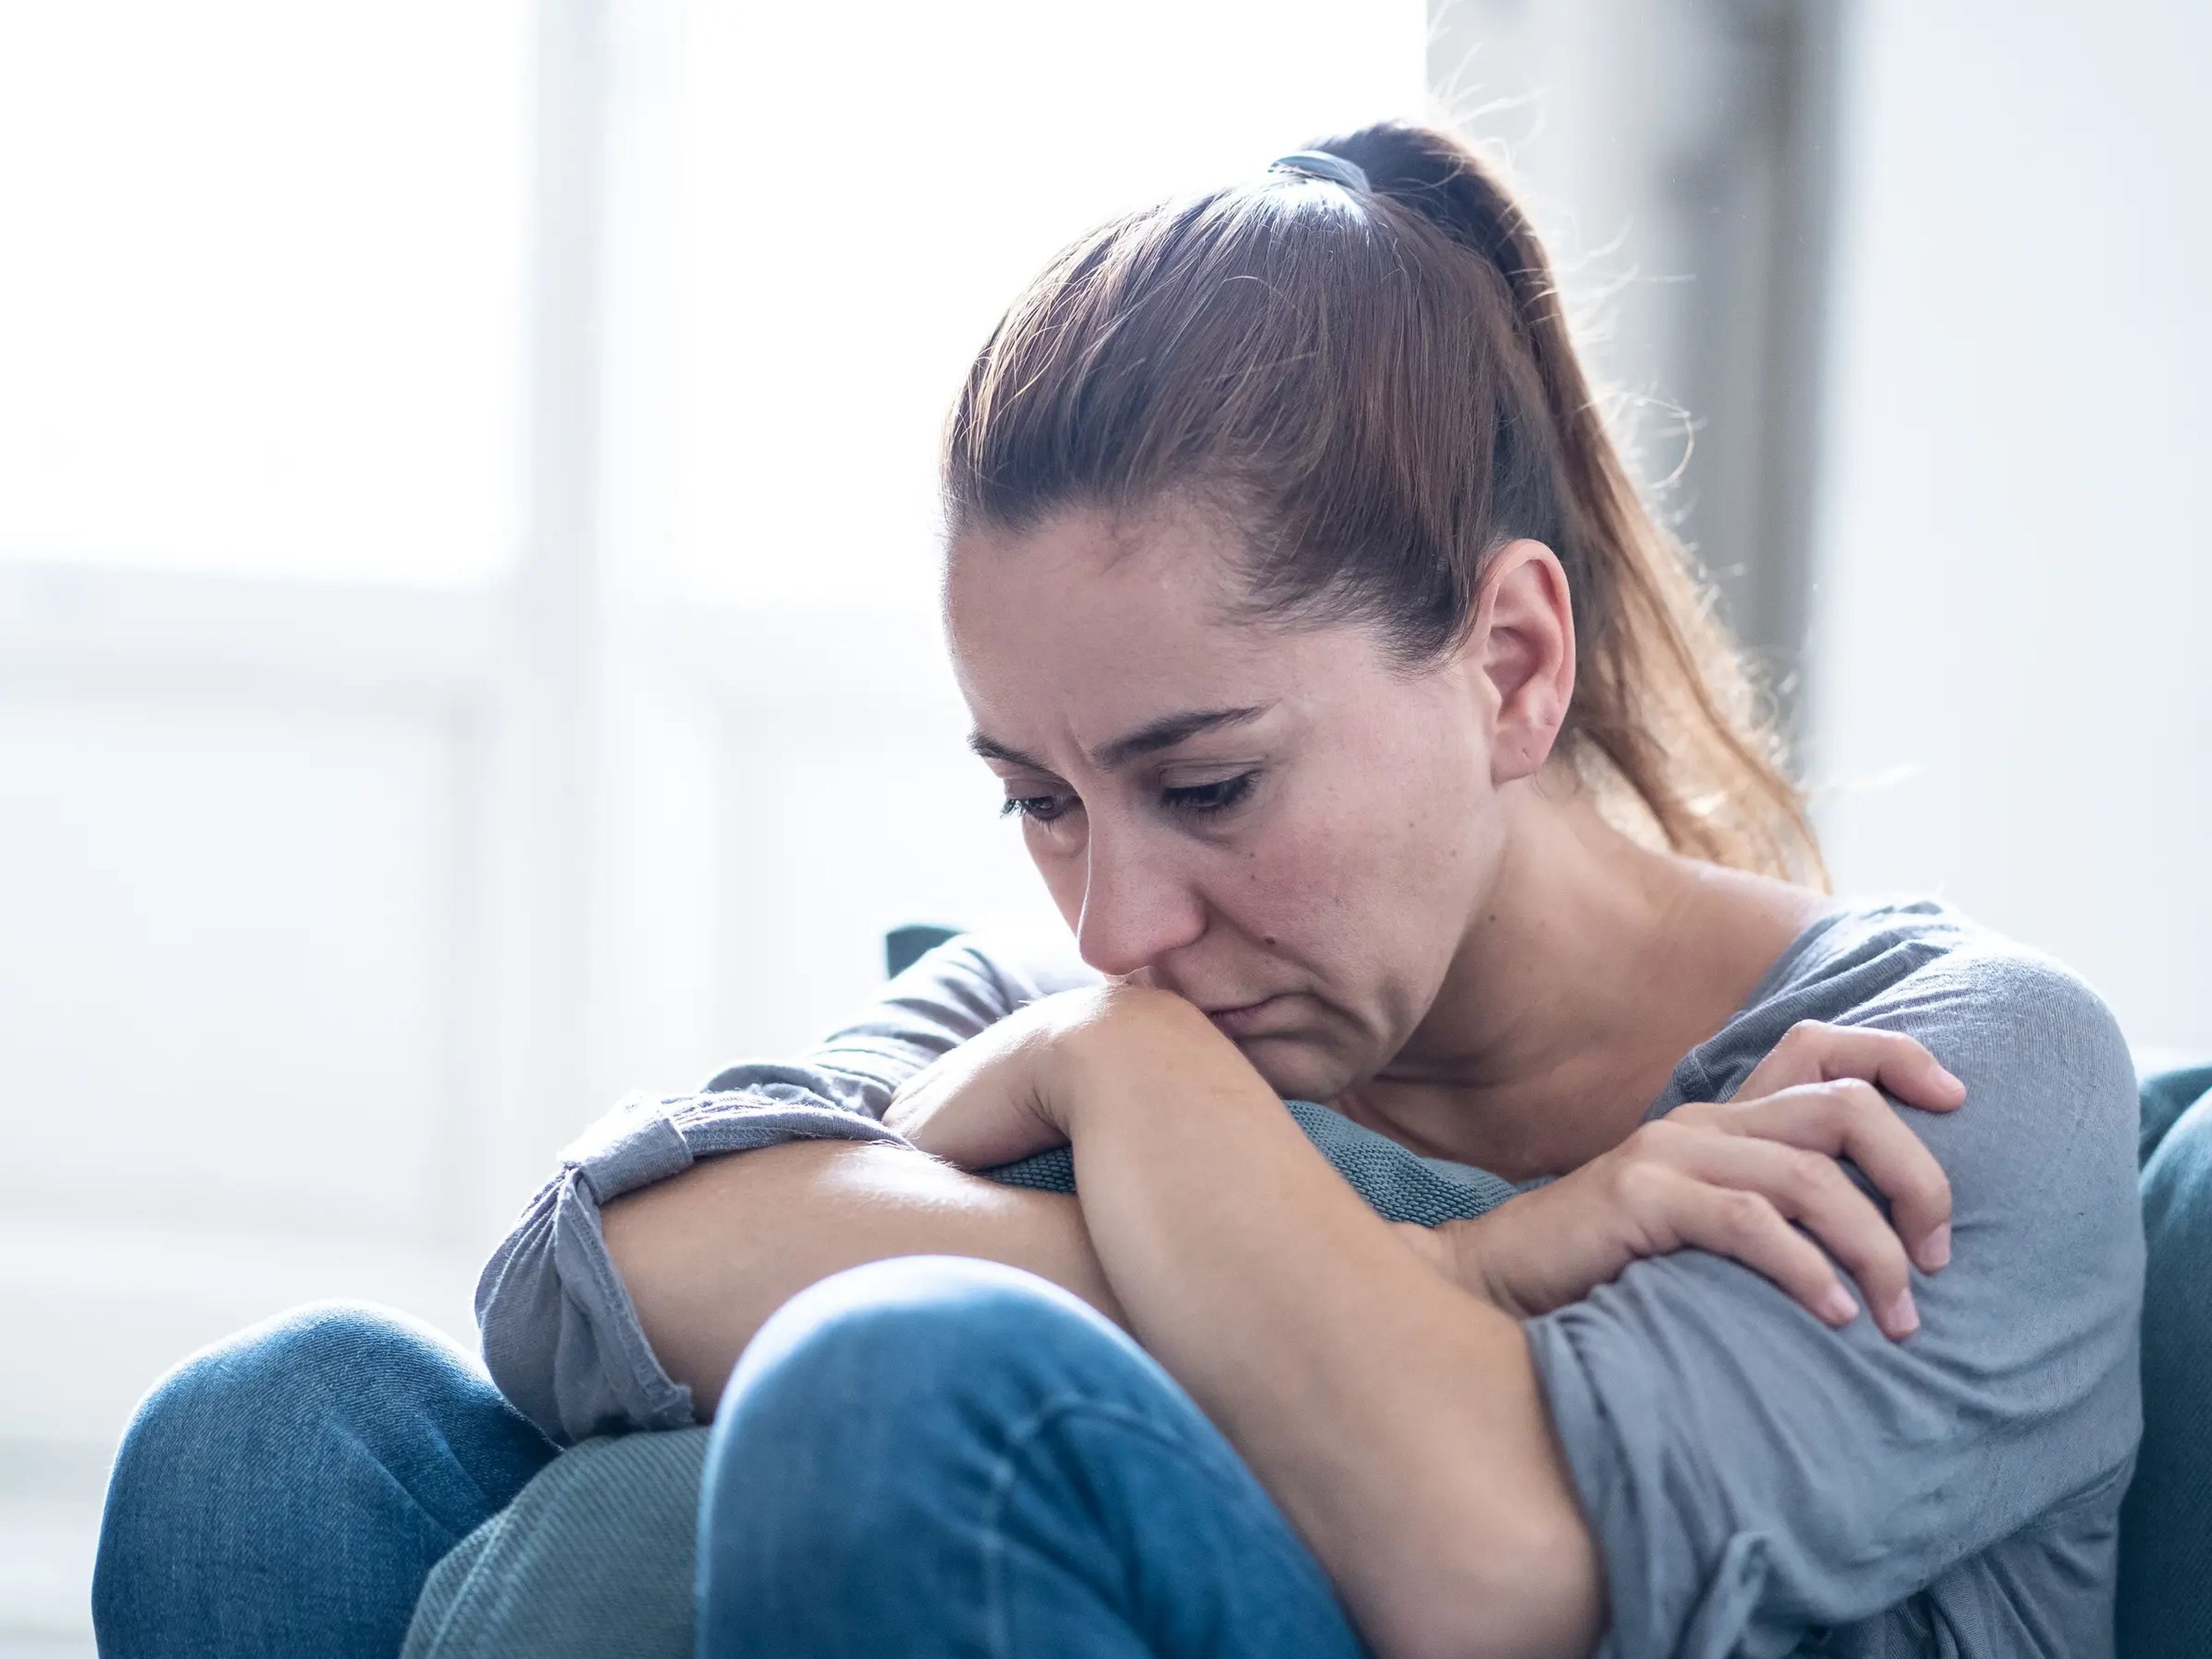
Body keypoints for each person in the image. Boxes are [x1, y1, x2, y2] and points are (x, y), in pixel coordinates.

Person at [93, 123, 2142, 1659]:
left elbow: (1487, 1552)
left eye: (1210, 783)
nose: (1114, 930)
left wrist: (1133, 1110)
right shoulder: (1096, 998)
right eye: (1039, 802)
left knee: (896, 1394)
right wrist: (1466, 1262)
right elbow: (584, 1278)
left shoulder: (1948, 1075)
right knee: (272, 1438)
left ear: (1514, 664)